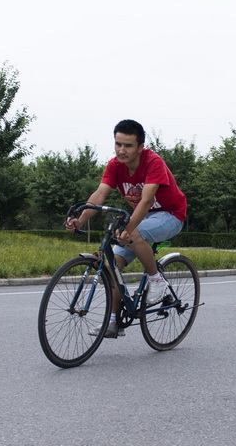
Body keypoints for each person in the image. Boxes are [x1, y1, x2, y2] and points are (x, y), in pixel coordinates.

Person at [65, 119, 187, 338]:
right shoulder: (114, 166)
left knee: (133, 234)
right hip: (145, 216)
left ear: (140, 147)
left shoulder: (153, 162)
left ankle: (156, 280)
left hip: (170, 215)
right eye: (118, 144)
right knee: (112, 267)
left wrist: (129, 228)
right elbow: (99, 195)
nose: (121, 150)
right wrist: (80, 220)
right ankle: (113, 322)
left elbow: (146, 201)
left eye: (128, 145)